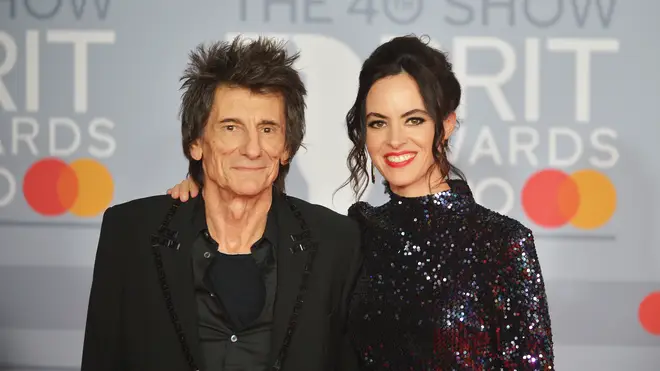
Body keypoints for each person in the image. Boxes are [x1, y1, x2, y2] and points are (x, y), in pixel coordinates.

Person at [168, 35, 555, 370]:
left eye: (414, 120)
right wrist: (208, 187)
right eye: (378, 122)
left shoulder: (500, 242)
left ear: (447, 124)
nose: (395, 140)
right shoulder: (356, 233)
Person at [81, 36, 362, 371]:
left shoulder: (335, 242)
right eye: (232, 127)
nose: (252, 149)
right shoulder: (132, 233)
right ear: (196, 143)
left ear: (287, 147)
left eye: (268, 129)